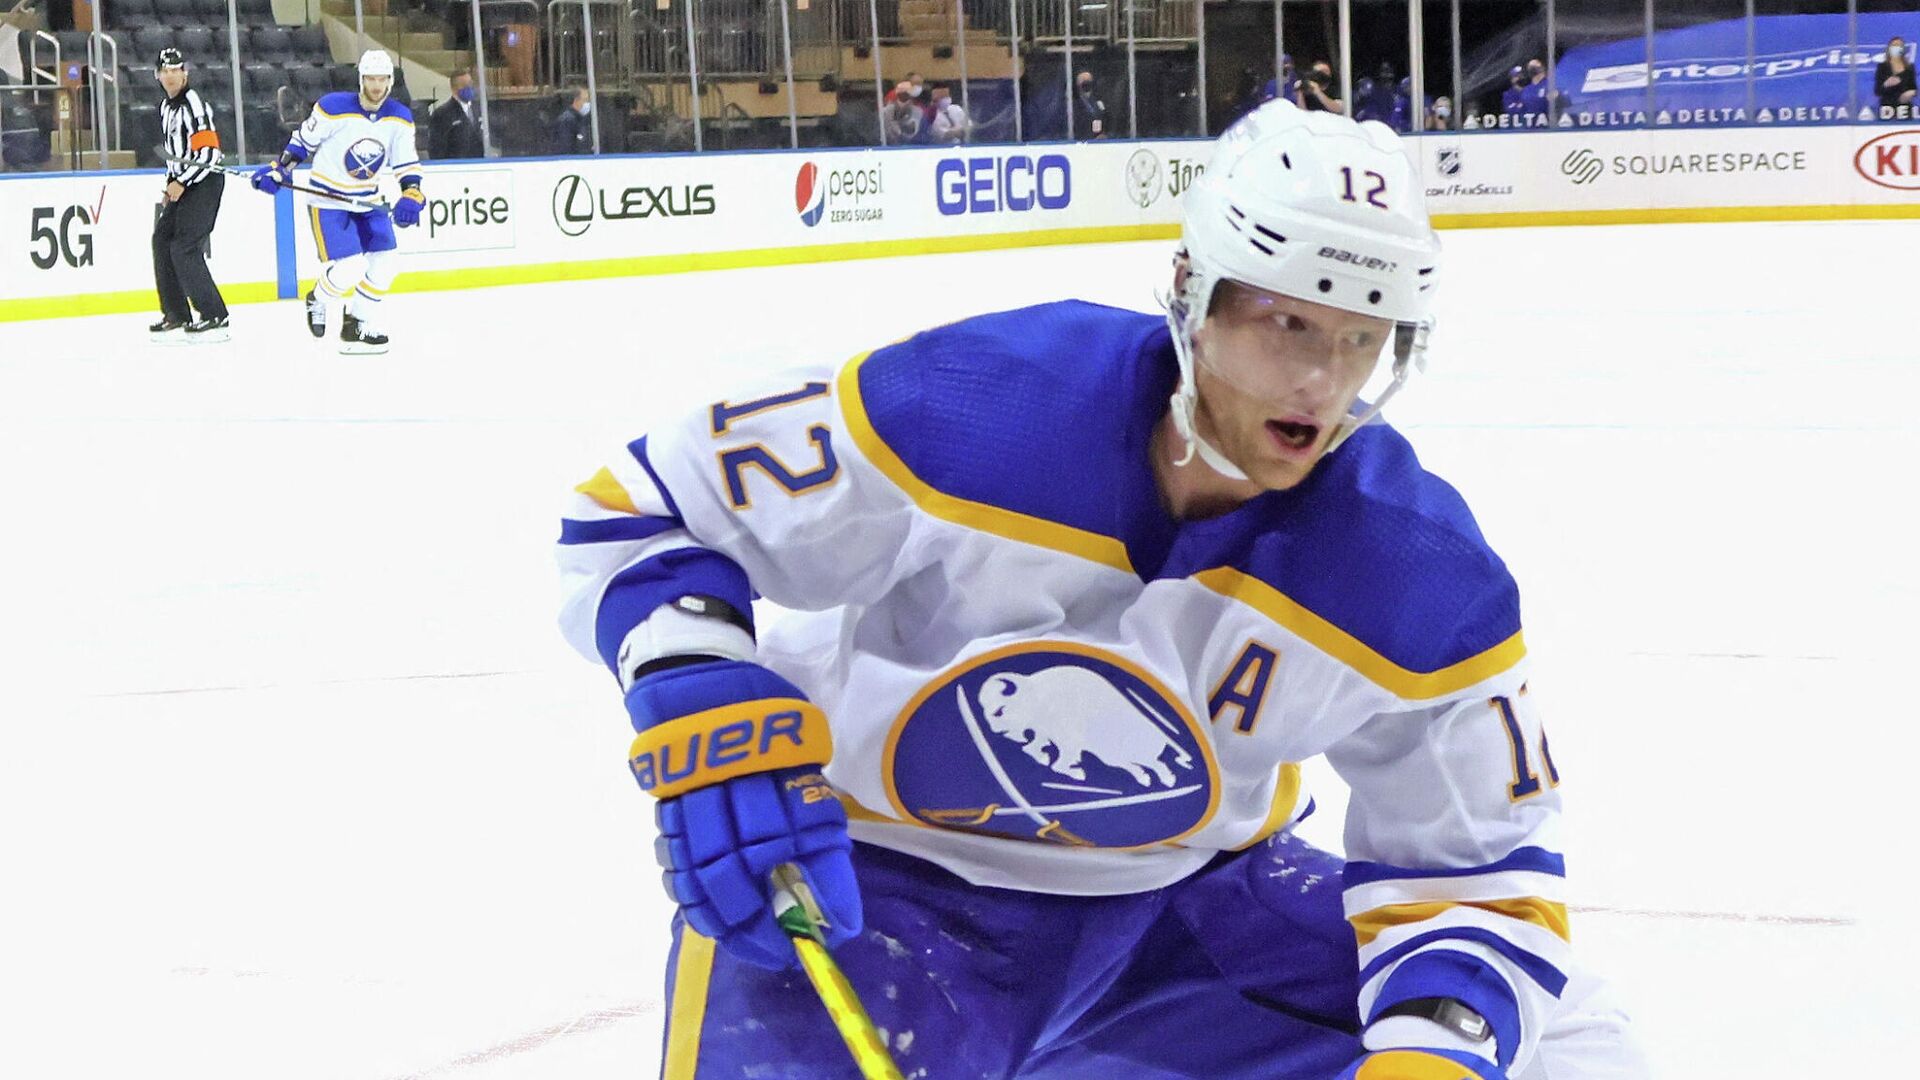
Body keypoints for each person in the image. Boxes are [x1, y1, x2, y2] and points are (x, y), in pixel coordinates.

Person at [556, 98, 1647, 1080]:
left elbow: (1480, 870)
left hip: (1178, 911)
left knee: (1565, 1049)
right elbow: (652, 502)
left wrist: (1429, 1062)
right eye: (1290, 326)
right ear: (1194, 296)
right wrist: (696, 687)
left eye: (1361, 339)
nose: (1322, 381)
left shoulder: (1413, 572)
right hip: (871, 884)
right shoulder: (976, 409)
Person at [251, 49, 422, 355]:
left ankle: (356, 324)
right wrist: (280, 170)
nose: (376, 86)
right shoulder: (333, 108)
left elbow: (406, 165)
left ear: (390, 81)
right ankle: (318, 298)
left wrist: (411, 194)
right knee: (351, 267)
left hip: (368, 201)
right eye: (370, 78)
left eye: (382, 79)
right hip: (328, 201)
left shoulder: (399, 117)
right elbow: (302, 142)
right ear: (361, 79)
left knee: (386, 262)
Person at [150, 47, 229, 343]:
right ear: (158, 75)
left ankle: (214, 313)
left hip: (205, 182)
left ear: (185, 73)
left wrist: (181, 182)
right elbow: (177, 155)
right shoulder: (165, 107)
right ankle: (176, 313)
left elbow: (209, 153)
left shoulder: (194, 103)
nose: (170, 76)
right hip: (183, 183)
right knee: (161, 241)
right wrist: (171, 183)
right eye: (165, 71)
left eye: (176, 70)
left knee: (184, 247)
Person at [428, 69, 484, 160]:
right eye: (465, 86)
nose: (469, 88)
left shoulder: (480, 109)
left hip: (479, 165)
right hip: (456, 167)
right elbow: (436, 149)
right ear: (454, 89)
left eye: (470, 84)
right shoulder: (442, 114)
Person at [1876, 37, 1917, 116]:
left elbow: (1914, 88)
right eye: (1894, 45)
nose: (1896, 48)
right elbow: (1877, 91)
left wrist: (1911, 93)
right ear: (1889, 48)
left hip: (1905, 109)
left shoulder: (1909, 68)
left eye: (1899, 46)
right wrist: (1886, 84)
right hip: (1887, 109)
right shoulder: (1882, 67)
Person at [552, 86, 592, 154]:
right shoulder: (567, 120)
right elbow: (566, 147)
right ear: (576, 100)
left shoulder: (581, 118)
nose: (588, 103)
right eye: (586, 100)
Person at [1074, 69, 1108, 138]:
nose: (1086, 82)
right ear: (1077, 84)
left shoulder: (1099, 102)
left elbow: (1106, 119)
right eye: (1083, 80)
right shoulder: (1073, 105)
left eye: (1088, 80)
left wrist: (1103, 134)